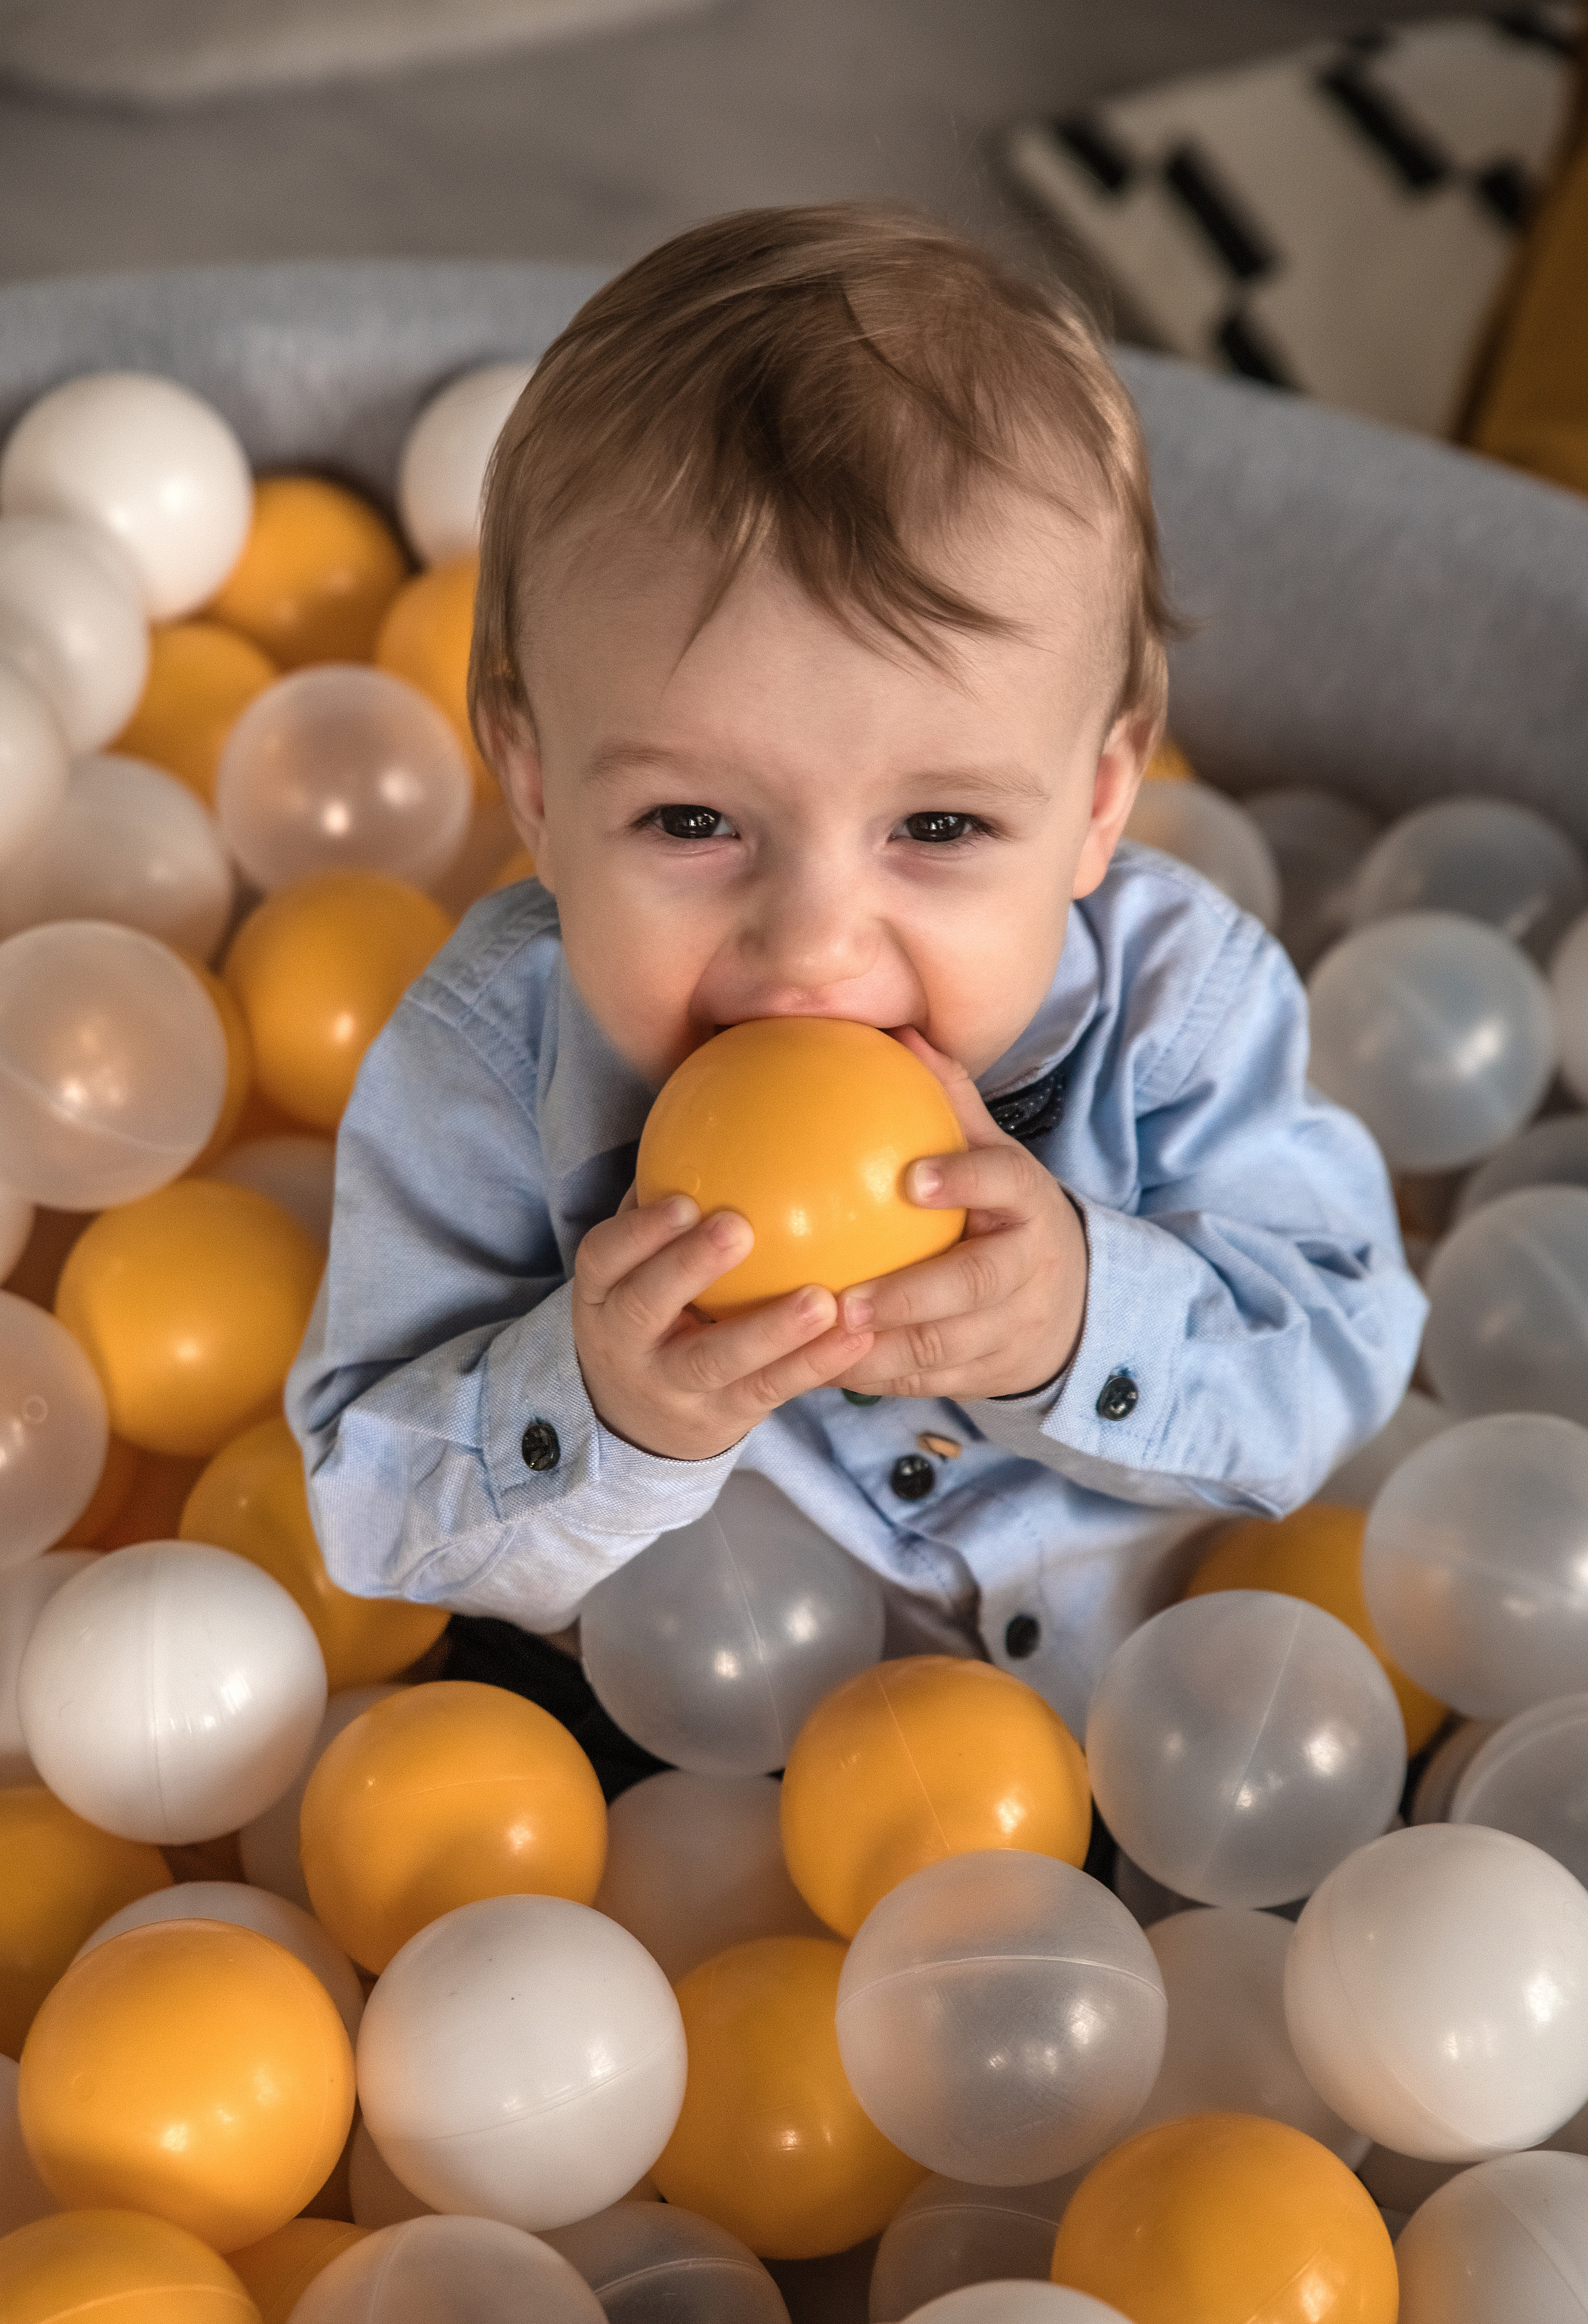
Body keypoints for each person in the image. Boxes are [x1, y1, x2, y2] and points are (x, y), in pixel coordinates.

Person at [286, 203, 1425, 1761]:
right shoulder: (487, 1062)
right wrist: (607, 1406)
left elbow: (1346, 1355)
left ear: (1098, 803)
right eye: (692, 822)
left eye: (938, 827)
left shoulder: (1178, 1014)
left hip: (1143, 1735)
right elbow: (367, 1513)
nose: (815, 947)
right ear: (535, 788)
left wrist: (1077, 1322)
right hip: (665, 1769)